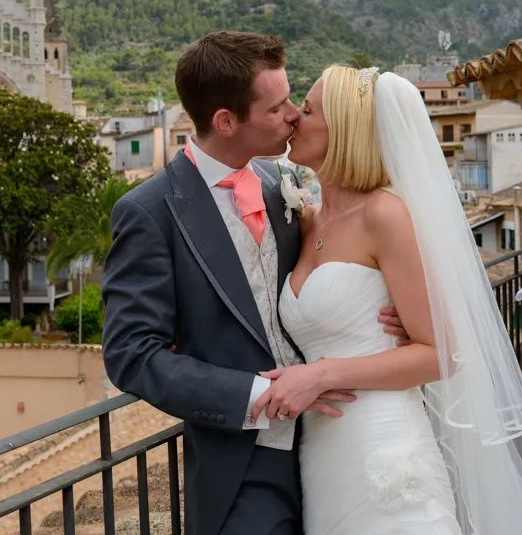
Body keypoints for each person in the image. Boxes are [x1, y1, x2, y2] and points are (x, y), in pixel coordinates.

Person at [101, 33, 412, 535]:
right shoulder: (148, 212)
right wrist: (254, 396)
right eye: (277, 107)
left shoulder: (278, 187)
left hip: (339, 442)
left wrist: (388, 313)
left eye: (294, 100)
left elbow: (328, 278)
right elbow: (131, 354)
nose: (293, 114)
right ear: (226, 121)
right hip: (244, 466)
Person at [252, 65, 522, 535]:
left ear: (346, 131)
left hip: (385, 449)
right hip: (323, 457)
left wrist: (322, 374)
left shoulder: (384, 215)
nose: (293, 118)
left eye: (307, 110)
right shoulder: (305, 220)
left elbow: (443, 354)